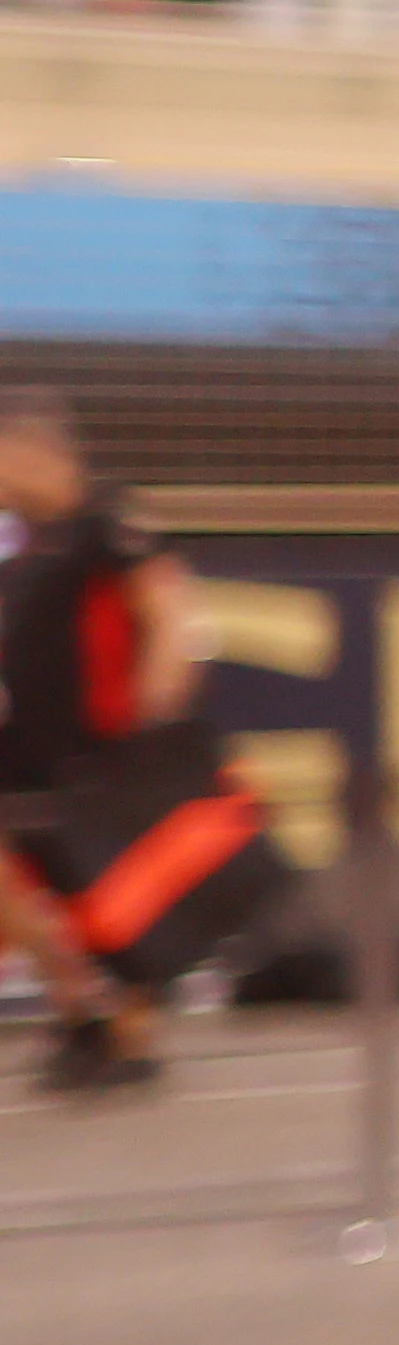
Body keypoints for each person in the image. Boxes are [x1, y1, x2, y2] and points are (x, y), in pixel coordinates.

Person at [0, 394, 197, 1092]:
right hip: (27, 750)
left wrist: (154, 721)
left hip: (104, 746)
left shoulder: (110, 521)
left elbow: (170, 615)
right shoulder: (25, 542)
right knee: (28, 888)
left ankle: (127, 1031)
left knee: (108, 894)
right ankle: (82, 1007)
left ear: (33, 452)